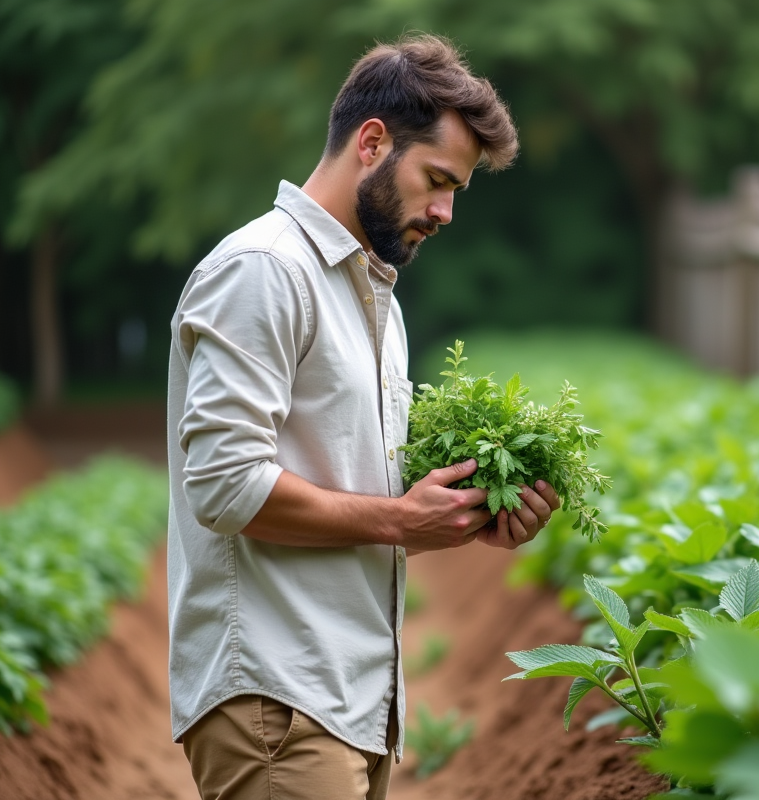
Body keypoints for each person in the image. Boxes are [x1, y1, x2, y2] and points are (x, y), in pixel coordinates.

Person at [165, 33, 560, 800]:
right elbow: (223, 485)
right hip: (278, 701)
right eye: (436, 180)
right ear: (372, 143)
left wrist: (470, 512)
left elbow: (360, 492)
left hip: (350, 702)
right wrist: (397, 523)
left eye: (457, 192)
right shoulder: (264, 272)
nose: (444, 212)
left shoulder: (371, 292)